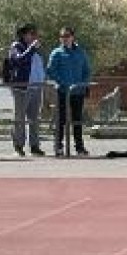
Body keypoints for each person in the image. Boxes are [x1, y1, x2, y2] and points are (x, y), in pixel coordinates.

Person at [46, 26, 92, 157]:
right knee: (61, 120)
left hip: (78, 92)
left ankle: (79, 147)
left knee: (77, 120)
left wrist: (83, 83)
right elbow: (50, 71)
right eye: (62, 36)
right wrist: (62, 83)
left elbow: (87, 70)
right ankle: (58, 147)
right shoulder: (57, 53)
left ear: (72, 37)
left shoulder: (81, 52)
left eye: (67, 36)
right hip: (62, 92)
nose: (64, 39)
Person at [8, 23, 46, 156]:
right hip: (22, 88)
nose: (34, 36)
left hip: (37, 87)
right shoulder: (16, 47)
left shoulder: (35, 50)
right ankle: (18, 146)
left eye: (35, 33)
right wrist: (31, 49)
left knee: (34, 118)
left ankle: (35, 145)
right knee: (19, 118)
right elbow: (19, 60)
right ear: (23, 35)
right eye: (31, 33)